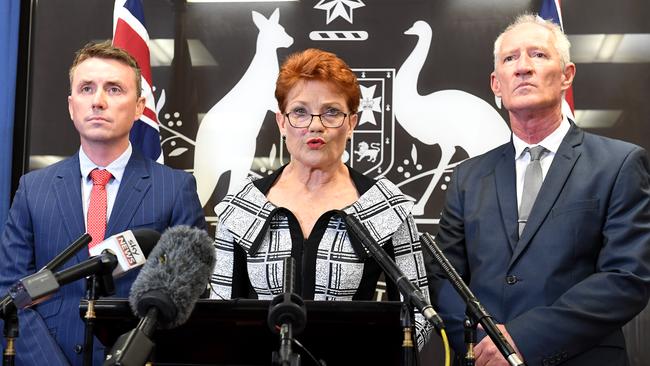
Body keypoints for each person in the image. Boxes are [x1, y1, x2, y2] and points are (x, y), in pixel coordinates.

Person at [428, 14, 650, 366]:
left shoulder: (619, 163)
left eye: (538, 55)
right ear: (496, 83)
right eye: (510, 58)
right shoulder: (468, 177)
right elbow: (443, 277)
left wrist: (523, 339)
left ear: (567, 75)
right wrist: (484, 343)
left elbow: (627, 278)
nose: (523, 68)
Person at [209, 48, 433, 348]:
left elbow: (419, 316)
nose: (315, 125)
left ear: (352, 122)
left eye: (331, 112)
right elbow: (219, 313)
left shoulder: (386, 205)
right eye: (300, 112)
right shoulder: (241, 206)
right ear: (282, 122)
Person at [0, 41, 206, 365]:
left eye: (113, 89)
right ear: (71, 106)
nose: (97, 101)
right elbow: (11, 291)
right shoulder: (32, 189)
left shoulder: (176, 188)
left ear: (139, 107)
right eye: (86, 89)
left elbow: (189, 292)